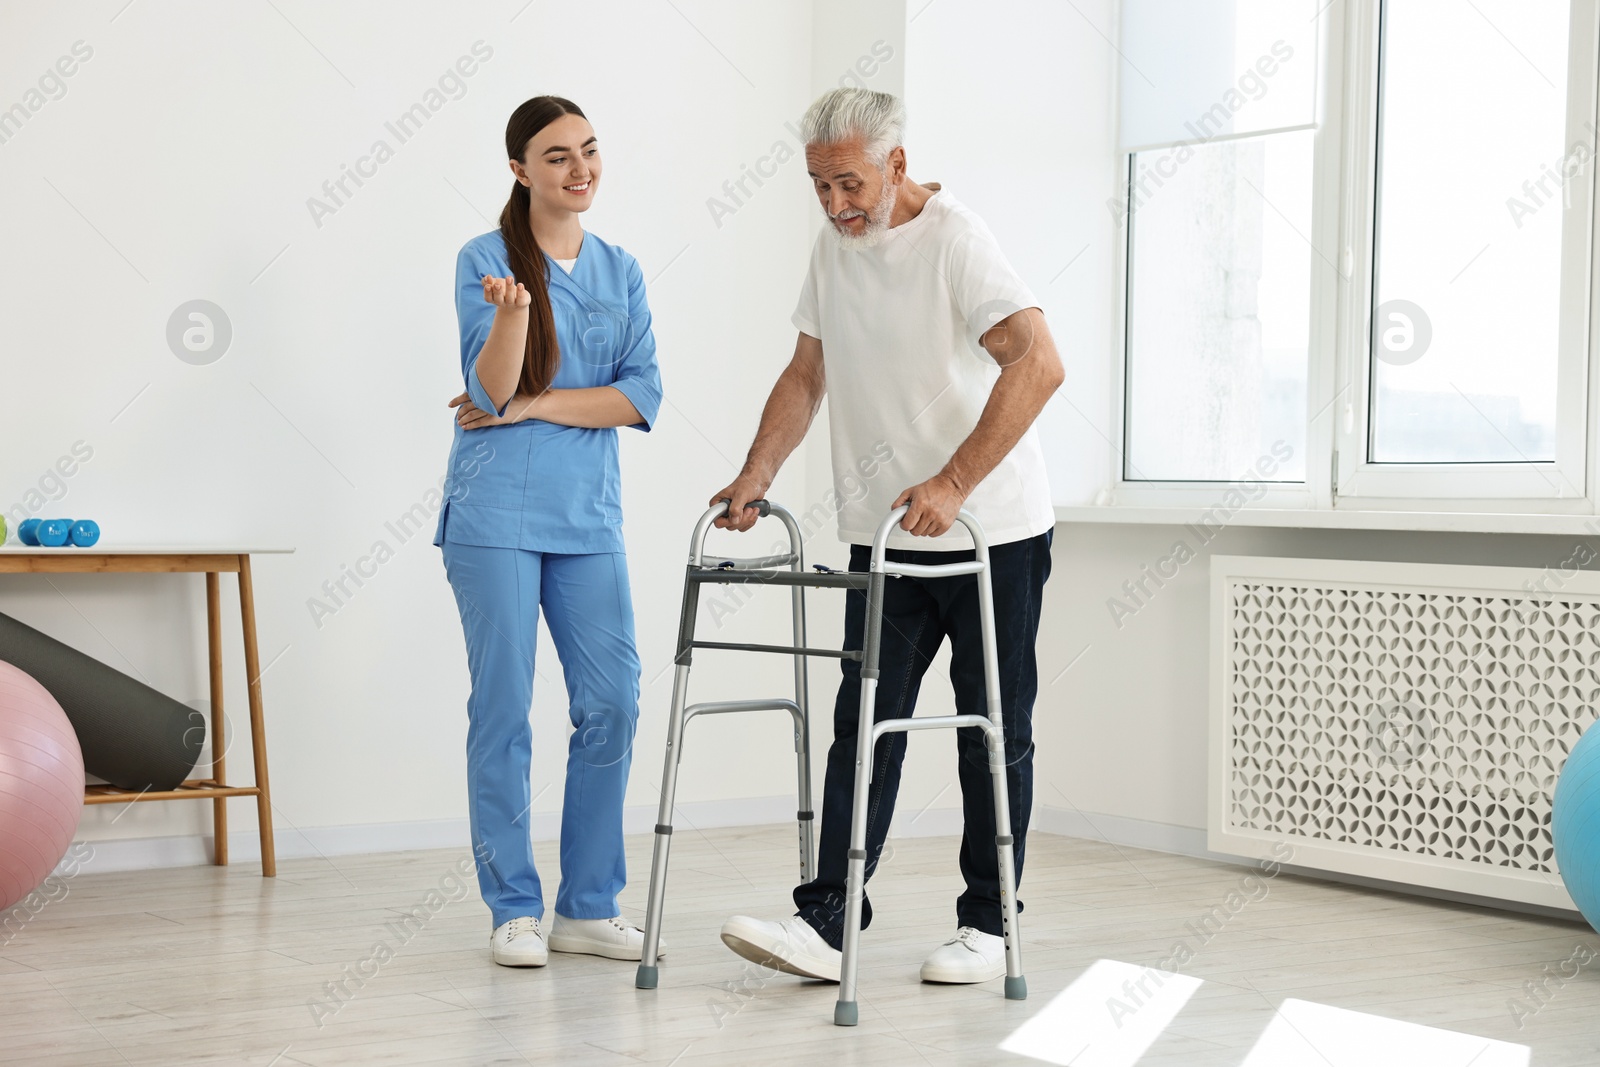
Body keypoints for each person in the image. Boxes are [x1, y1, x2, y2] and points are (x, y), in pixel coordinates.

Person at [712, 87, 1062, 986]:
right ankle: (828, 921)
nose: (836, 205)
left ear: (897, 164)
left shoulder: (956, 240)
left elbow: (1040, 360)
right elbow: (805, 373)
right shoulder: (834, 249)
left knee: (993, 729)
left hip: (992, 533)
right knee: (861, 724)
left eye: (850, 183)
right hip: (886, 537)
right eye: (820, 187)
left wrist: (954, 481)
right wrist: (757, 473)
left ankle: (990, 922)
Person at [435, 95, 663, 968]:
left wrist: (536, 403)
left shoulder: (622, 270)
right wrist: (513, 317)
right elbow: (486, 393)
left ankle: (589, 905)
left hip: (587, 522)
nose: (580, 169)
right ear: (520, 169)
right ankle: (513, 909)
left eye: (591, 151)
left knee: (613, 703)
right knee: (503, 711)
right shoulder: (484, 260)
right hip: (494, 517)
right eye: (558, 156)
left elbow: (640, 396)